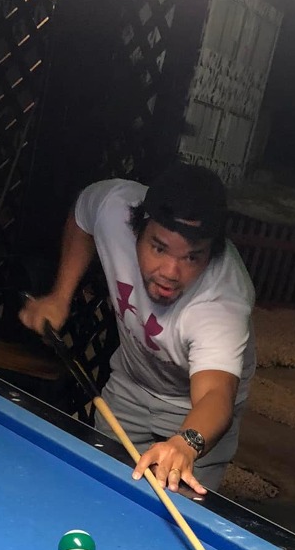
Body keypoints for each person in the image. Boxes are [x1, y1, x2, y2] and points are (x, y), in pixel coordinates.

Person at [19, 162, 256, 494]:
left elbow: (216, 395)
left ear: (212, 252)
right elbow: (82, 215)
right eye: (159, 248)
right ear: (137, 228)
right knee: (97, 493)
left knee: (178, 516)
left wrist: (185, 444)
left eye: (191, 257)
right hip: (129, 387)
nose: (170, 272)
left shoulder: (223, 300)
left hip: (192, 410)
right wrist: (60, 296)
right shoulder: (115, 206)